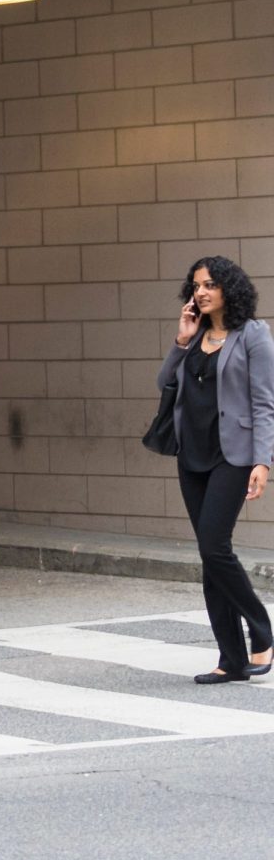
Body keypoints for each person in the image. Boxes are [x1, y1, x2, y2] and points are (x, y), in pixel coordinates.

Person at [158, 256, 274, 684]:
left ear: (229, 288)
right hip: (193, 456)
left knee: (214, 546)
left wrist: (263, 460)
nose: (201, 292)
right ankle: (231, 659)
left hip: (235, 455)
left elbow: (265, 403)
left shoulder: (253, 336)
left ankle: (261, 626)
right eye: (196, 285)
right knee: (210, 557)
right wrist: (181, 340)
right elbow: (165, 384)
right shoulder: (196, 334)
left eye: (209, 285)